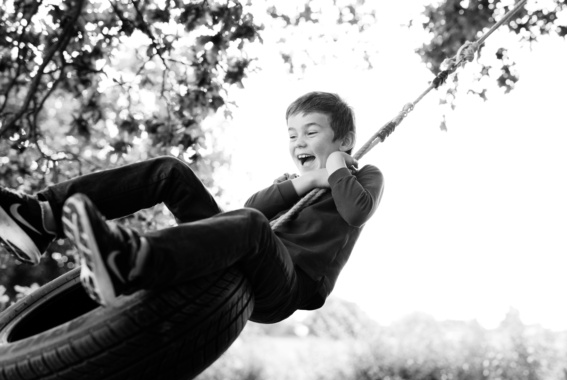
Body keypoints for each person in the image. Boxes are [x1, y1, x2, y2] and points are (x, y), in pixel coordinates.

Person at [0, 91, 384, 323]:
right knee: (170, 172)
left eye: (312, 132)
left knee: (250, 225)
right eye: (292, 134)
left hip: (286, 287)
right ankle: (40, 217)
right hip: (238, 256)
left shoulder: (365, 176)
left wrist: (333, 169)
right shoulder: (291, 183)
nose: (299, 142)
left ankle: (130, 261)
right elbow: (255, 207)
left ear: (345, 140)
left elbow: (356, 212)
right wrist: (308, 180)